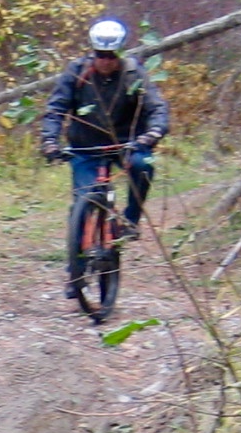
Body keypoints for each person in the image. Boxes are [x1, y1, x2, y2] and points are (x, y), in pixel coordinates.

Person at [39, 16, 170, 302]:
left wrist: (152, 134)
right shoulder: (77, 72)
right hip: (85, 147)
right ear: (92, 51)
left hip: (126, 143)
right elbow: (56, 109)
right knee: (82, 203)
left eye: (111, 55)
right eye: (100, 55)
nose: (105, 61)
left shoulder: (134, 74)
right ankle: (76, 272)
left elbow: (157, 108)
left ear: (120, 53)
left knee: (142, 166)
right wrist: (50, 141)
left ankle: (130, 220)